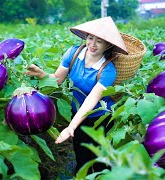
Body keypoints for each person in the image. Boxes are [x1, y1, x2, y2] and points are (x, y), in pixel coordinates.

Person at [25, 16, 128, 174]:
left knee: (102, 158)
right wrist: (41, 74)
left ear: (108, 45)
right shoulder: (73, 53)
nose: (92, 44)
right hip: (77, 112)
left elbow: (92, 100)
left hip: (101, 116)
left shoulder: (108, 70)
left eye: (99, 41)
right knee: (81, 153)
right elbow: (57, 79)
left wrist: (71, 126)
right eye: (90, 38)